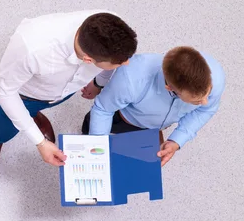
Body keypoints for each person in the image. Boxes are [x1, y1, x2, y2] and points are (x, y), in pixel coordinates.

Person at [0, 10, 137, 176]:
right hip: (26, 96)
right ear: (88, 60)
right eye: (119, 63)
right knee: (5, 126)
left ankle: (34, 114)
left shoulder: (112, 29)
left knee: (40, 107)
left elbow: (113, 61)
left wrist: (99, 83)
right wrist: (40, 142)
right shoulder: (31, 48)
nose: (127, 63)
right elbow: (4, 90)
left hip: (61, 92)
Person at [82, 46, 225, 166]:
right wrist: (98, 146)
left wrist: (176, 140)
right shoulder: (131, 78)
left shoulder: (215, 78)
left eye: (207, 94)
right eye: (196, 101)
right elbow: (103, 109)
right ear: (170, 88)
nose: (206, 102)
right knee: (93, 125)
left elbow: (206, 110)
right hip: (124, 117)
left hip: (156, 126)